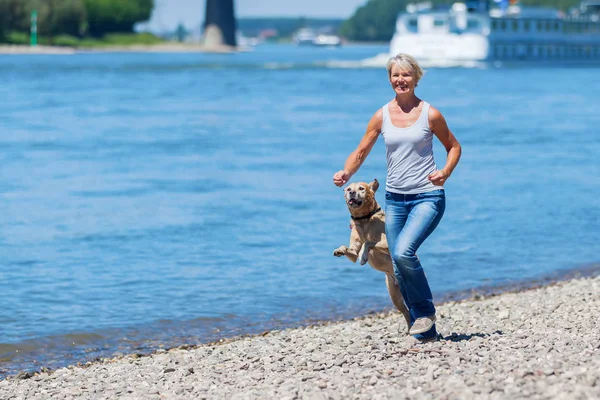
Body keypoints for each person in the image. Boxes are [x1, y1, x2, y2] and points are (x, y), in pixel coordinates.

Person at [333, 53, 461, 341]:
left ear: (415, 77)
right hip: (396, 200)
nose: (400, 80)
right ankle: (424, 331)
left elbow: (454, 146)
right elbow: (362, 150)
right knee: (398, 266)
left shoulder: (430, 114)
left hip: (428, 197)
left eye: (406, 75)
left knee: (402, 252)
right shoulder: (382, 115)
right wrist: (346, 172)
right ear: (390, 79)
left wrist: (446, 172)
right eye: (395, 75)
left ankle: (425, 311)